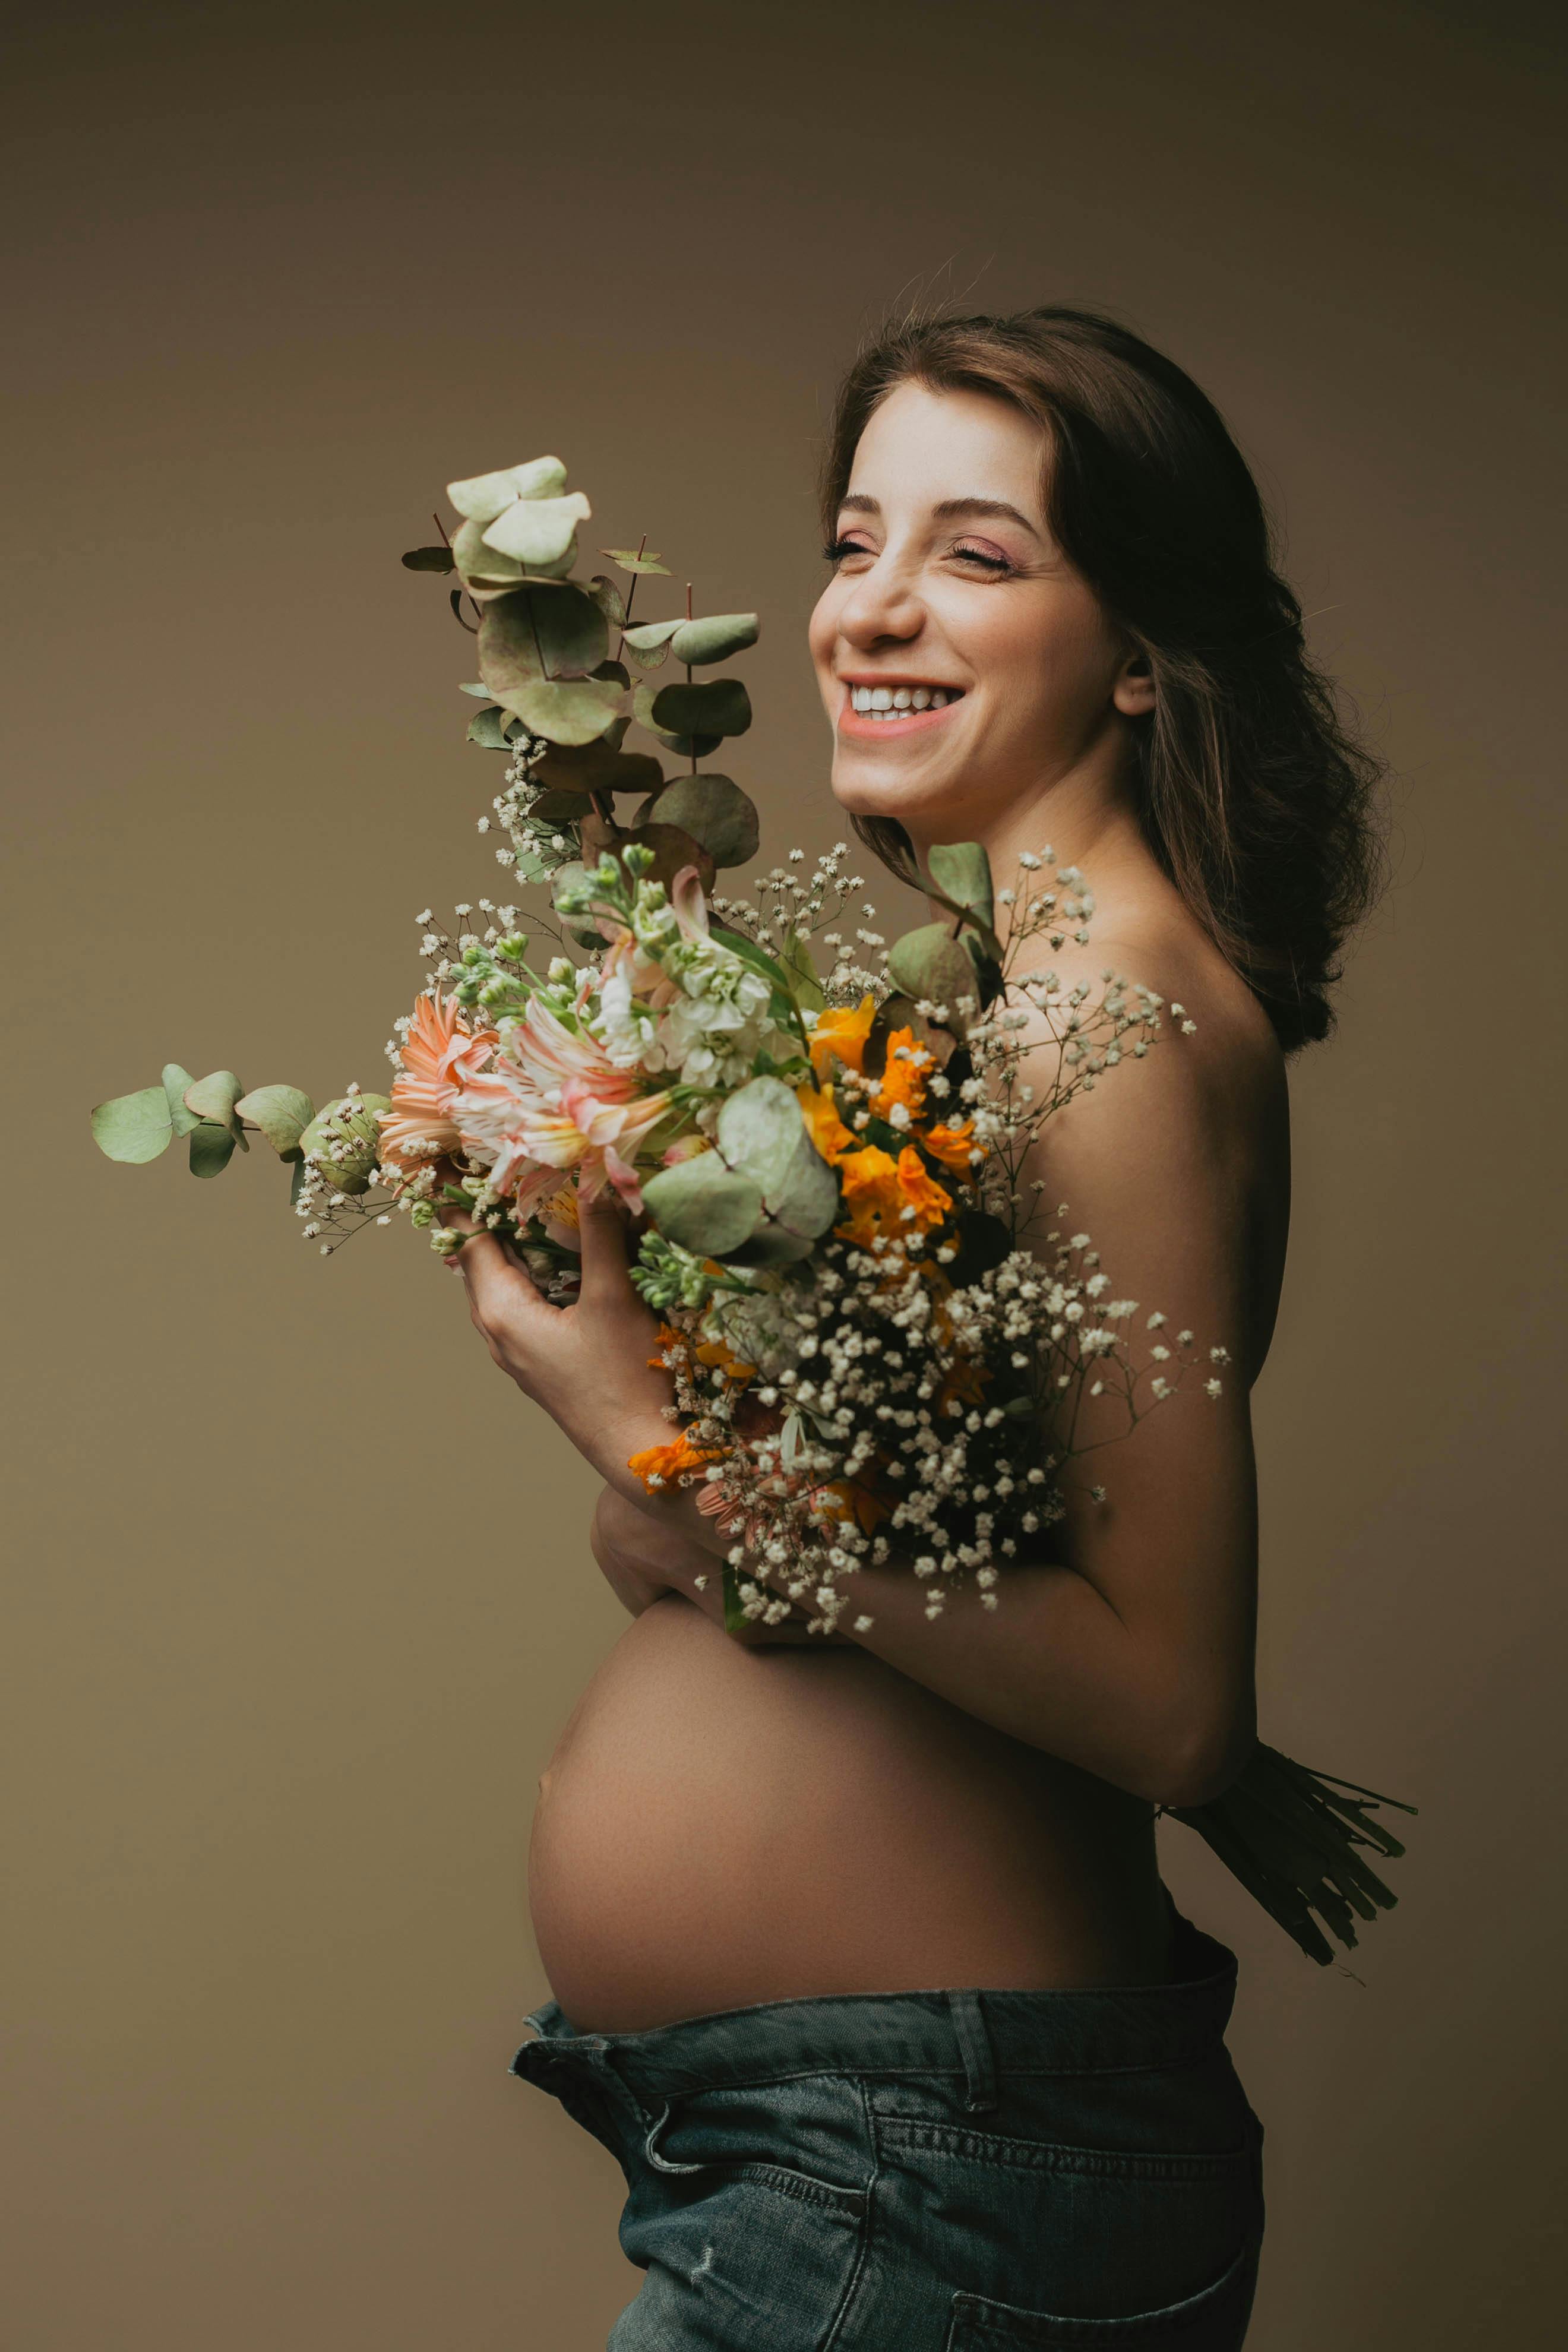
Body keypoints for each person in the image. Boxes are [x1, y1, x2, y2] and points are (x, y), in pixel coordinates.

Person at [437, 308, 1384, 2350]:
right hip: (865, 2144)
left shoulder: (1098, 1026)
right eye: (857, 540)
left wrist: (651, 1440)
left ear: (1137, 646)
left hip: (917, 2166)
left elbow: (1169, 1710)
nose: (871, 607)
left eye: (976, 553)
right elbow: (840, 1554)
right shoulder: (995, 1006)